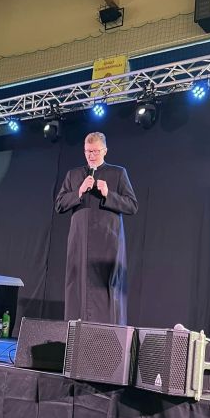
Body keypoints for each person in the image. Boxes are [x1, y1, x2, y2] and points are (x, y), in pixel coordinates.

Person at [55, 131, 138, 325]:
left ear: (105, 151)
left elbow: (132, 206)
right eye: (87, 151)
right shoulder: (74, 175)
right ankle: (76, 332)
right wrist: (79, 191)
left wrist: (108, 194)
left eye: (95, 151)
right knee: (78, 285)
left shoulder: (118, 173)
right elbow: (59, 205)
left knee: (106, 288)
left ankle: (107, 335)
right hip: (80, 241)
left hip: (108, 241)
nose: (91, 155)